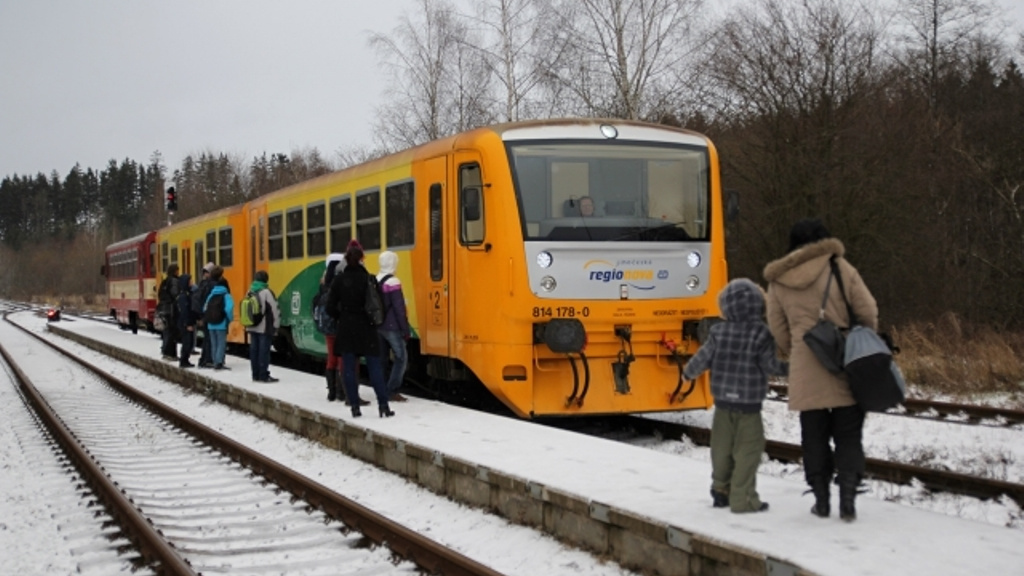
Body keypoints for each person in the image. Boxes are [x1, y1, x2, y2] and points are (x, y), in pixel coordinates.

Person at [763, 218, 878, 522]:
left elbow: (778, 328)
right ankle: (849, 498)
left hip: (805, 363)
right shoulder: (841, 267)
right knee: (849, 435)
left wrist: (799, 347)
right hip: (845, 361)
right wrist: (859, 339)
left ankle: (822, 500)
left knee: (813, 436)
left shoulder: (779, 280)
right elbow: (868, 310)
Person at [682, 278, 788, 514]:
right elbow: (770, 365)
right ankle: (744, 499)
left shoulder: (718, 332)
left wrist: (688, 373)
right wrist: (792, 369)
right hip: (748, 405)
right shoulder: (761, 334)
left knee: (721, 449)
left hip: (723, 404)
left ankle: (721, 490)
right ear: (759, 305)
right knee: (748, 451)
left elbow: (702, 358)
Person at [326, 242, 392, 418]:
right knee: (374, 368)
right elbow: (379, 305)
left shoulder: (339, 280)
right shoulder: (369, 280)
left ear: (346, 260)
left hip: (347, 328)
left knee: (348, 369)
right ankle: (383, 406)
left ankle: (354, 407)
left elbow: (329, 307)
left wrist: (341, 315)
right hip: (367, 328)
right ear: (362, 259)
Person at [377, 251, 412, 402]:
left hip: (379, 325)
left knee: (382, 359)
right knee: (401, 357)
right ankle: (392, 390)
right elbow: (399, 308)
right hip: (392, 326)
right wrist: (405, 329)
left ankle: (382, 388)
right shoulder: (393, 282)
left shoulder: (376, 279)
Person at [246, 270, 281, 382]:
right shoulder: (266, 292)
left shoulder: (249, 291)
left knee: (254, 351)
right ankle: (263, 375)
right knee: (263, 351)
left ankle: (255, 375)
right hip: (264, 327)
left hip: (251, 325)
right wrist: (276, 325)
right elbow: (274, 310)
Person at [204, 266, 234, 370]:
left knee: (214, 344)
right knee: (221, 343)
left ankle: (215, 361)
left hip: (211, 324)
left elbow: (205, 308)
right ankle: (219, 363)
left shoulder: (211, 295)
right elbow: (229, 309)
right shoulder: (226, 295)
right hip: (221, 323)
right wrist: (229, 319)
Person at [194, 262, 216, 368]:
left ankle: (204, 359)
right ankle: (207, 359)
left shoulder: (202, 284)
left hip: (204, 314)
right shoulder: (211, 284)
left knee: (207, 338)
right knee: (209, 338)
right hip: (209, 314)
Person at [157, 263, 180, 361]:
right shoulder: (174, 281)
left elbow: (160, 294)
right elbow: (175, 294)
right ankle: (171, 354)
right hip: (171, 310)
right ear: (175, 271)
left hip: (163, 309)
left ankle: (165, 351)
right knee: (172, 331)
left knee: (166, 331)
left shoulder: (165, 281)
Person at [176, 273, 197, 368]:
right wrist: (188, 324)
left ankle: (185, 360)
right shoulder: (184, 296)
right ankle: (184, 360)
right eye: (190, 281)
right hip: (185, 323)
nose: (192, 282)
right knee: (187, 342)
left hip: (187, 322)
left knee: (189, 341)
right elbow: (185, 311)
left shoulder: (187, 294)